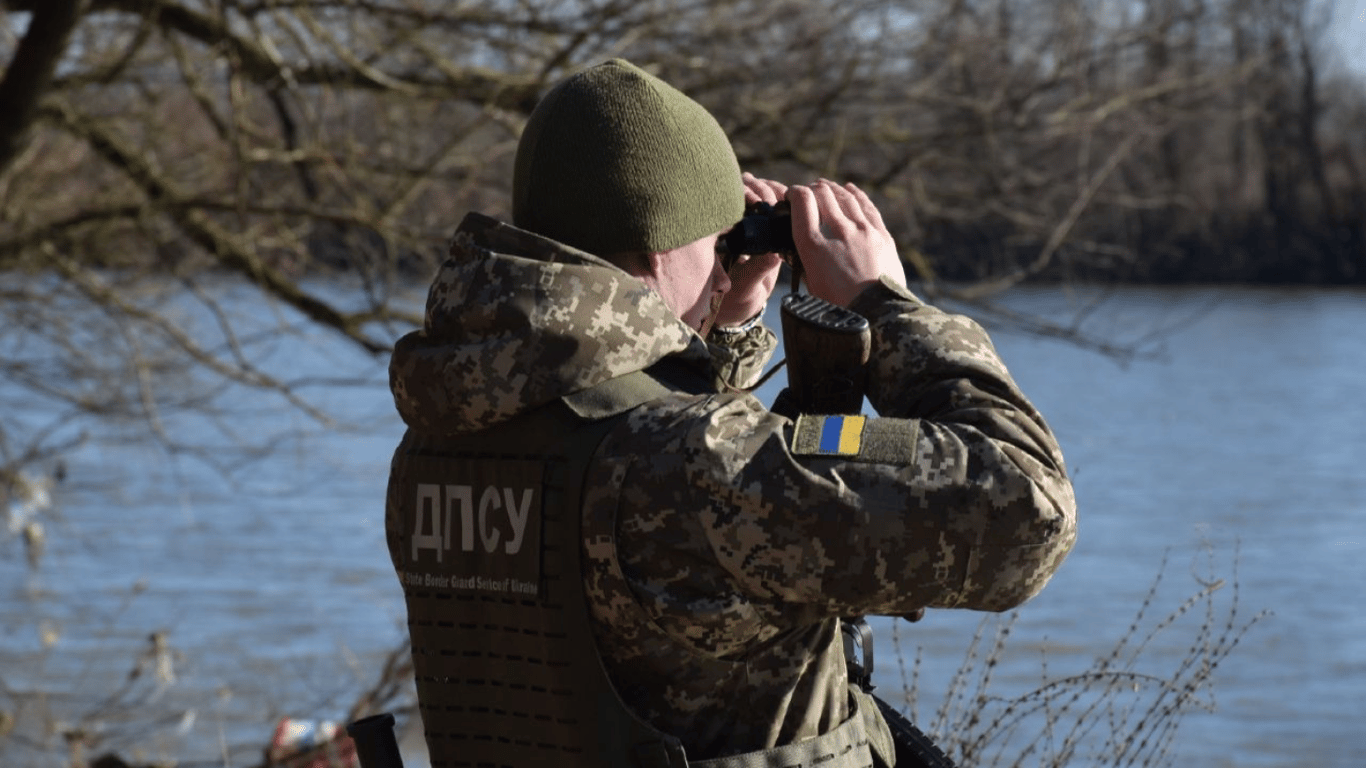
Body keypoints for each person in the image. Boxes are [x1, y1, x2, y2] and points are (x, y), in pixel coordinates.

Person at [385, 58, 1076, 767]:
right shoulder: (691, 463)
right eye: (720, 244)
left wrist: (713, 333)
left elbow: (654, 532)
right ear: (658, 247)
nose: (725, 265)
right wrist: (884, 304)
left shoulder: (438, 443)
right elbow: (1027, 507)